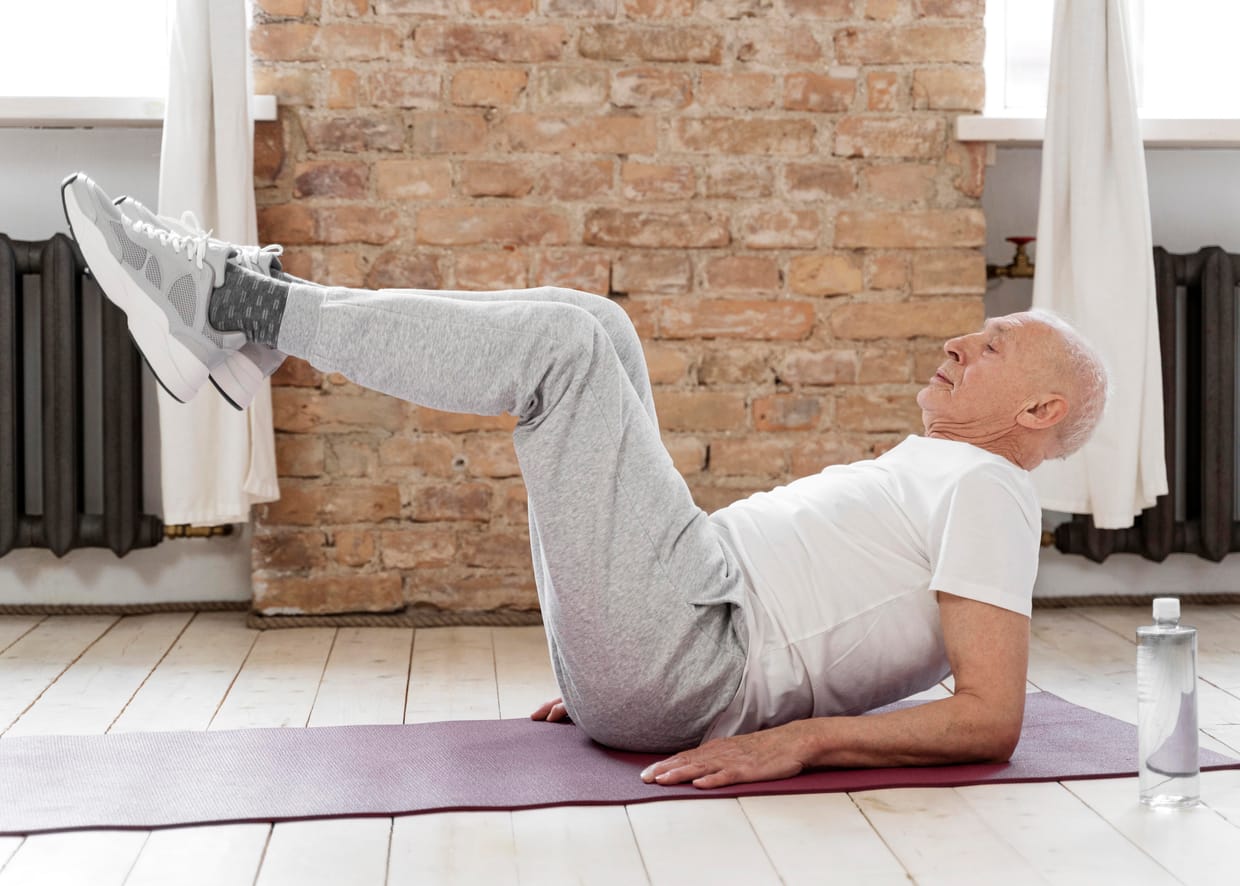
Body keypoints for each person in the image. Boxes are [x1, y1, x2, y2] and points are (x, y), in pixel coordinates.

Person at [61, 172, 1109, 789]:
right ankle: (250, 321)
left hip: (692, 653)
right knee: (596, 327)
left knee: (562, 346)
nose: (962, 341)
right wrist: (631, 640)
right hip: (671, 631)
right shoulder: (945, 470)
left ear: (1039, 412)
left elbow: (989, 714)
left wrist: (793, 739)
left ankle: (241, 307)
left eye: (996, 344)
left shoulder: (987, 489)